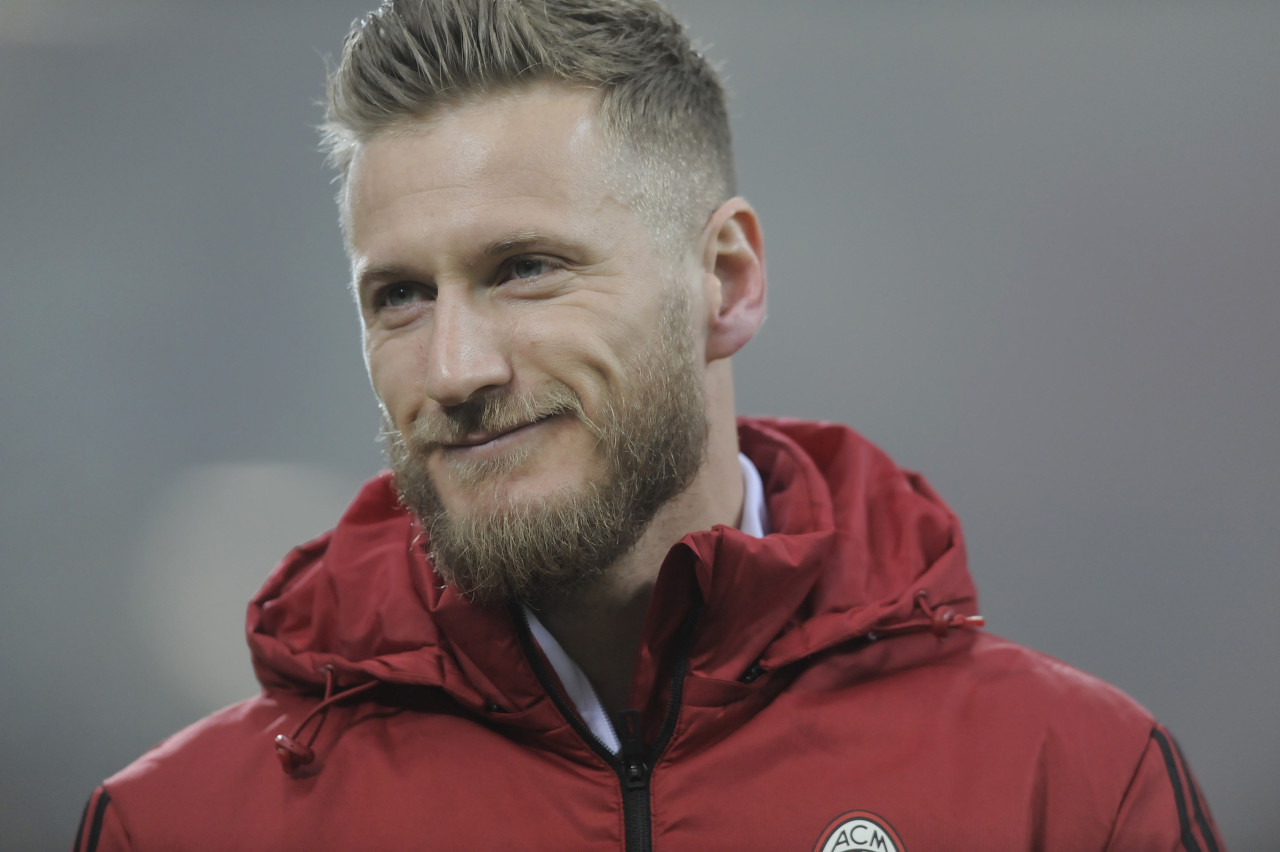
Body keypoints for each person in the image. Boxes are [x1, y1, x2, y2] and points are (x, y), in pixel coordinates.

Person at [75, 1, 1225, 850]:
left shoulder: (1066, 787)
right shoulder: (179, 825)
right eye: (400, 296)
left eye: (525, 269)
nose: (454, 370)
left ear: (724, 280)